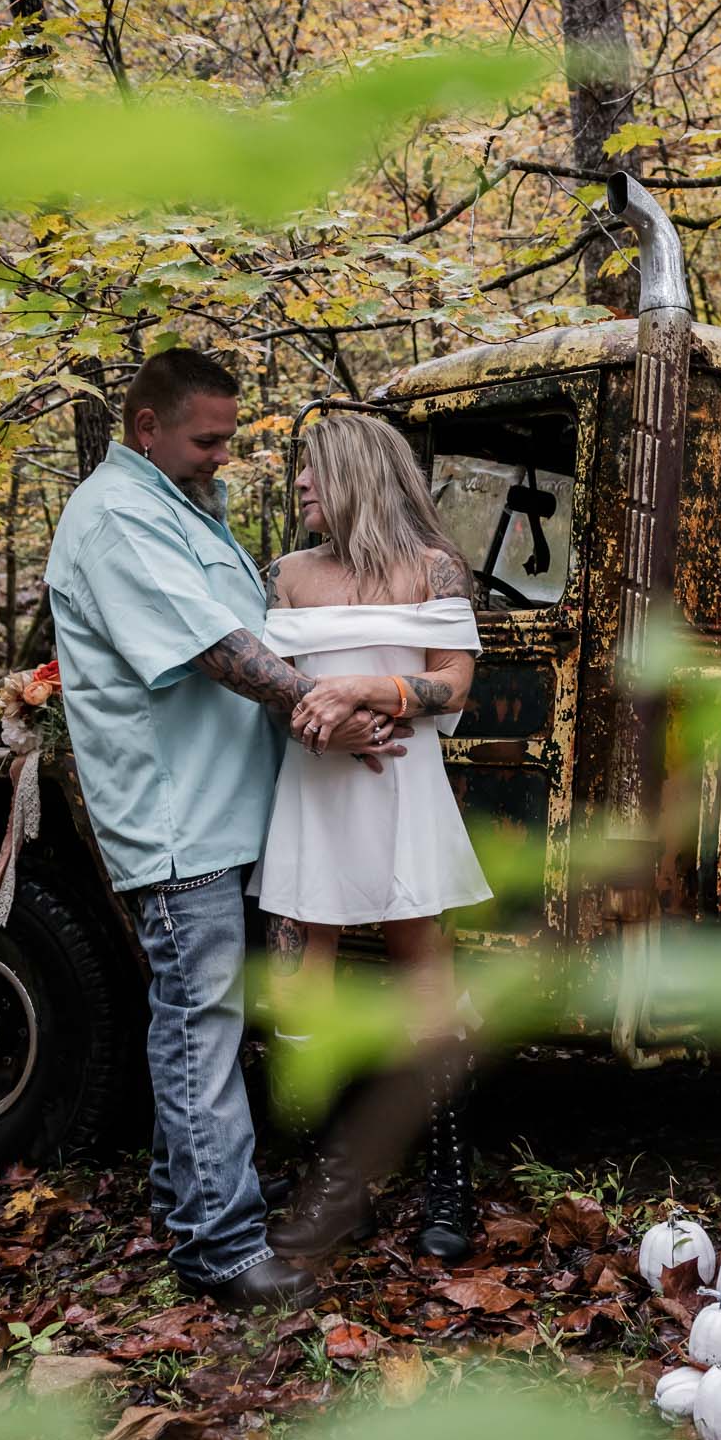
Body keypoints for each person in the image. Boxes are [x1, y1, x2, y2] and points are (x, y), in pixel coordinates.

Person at [44, 349, 405, 1313]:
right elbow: (218, 648)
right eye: (206, 440)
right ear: (146, 427)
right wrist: (325, 709)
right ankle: (220, 1247)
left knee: (212, 1020)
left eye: (227, 439)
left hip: (229, 809)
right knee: (200, 1025)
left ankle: (195, 1198)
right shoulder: (117, 516)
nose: (221, 456)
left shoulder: (187, 508)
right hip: (178, 819)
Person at [252, 410, 494, 1265]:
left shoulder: (433, 567)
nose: (299, 484)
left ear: (356, 472)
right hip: (312, 790)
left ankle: (448, 1180)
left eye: (313, 469)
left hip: (403, 791)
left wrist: (364, 689)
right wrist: (326, 726)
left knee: (425, 978)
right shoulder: (285, 574)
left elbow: (454, 685)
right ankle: (335, 1185)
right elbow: (274, 687)